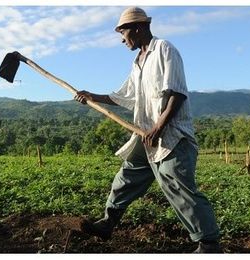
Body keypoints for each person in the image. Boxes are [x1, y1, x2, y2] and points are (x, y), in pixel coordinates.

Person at [74, 7, 221, 253]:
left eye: (124, 32)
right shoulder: (137, 62)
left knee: (177, 186)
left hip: (172, 136)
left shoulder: (164, 49)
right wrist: (93, 97)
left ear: (139, 27)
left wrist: (159, 126)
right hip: (146, 135)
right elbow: (125, 96)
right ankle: (108, 223)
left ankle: (209, 243)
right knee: (126, 178)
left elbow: (177, 92)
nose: (122, 39)